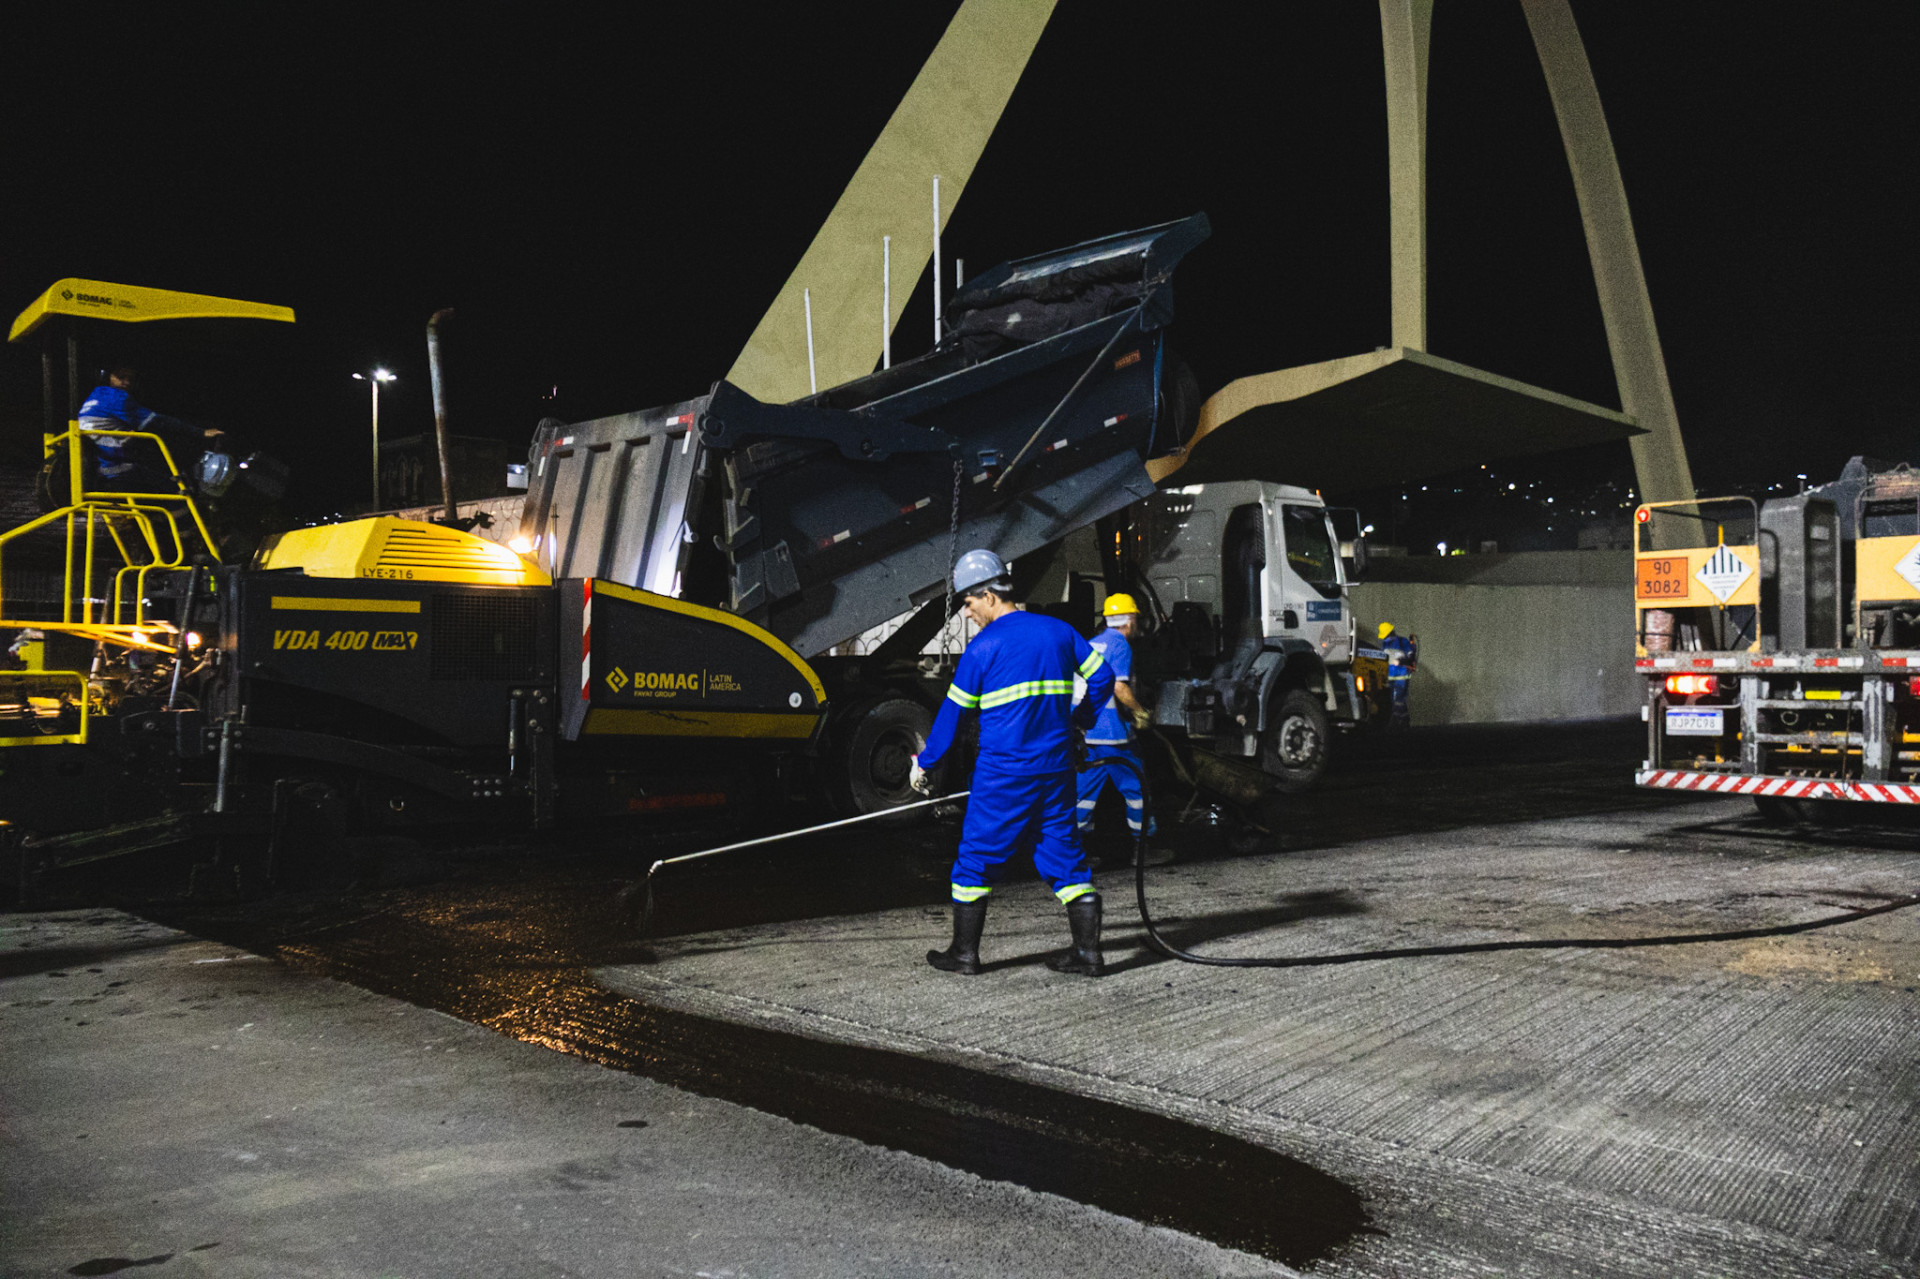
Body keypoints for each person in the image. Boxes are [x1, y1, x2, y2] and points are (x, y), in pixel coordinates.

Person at [911, 548, 1115, 977]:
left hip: (1003, 775)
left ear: (988, 594)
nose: (966, 613)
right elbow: (1102, 678)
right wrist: (1079, 721)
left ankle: (964, 955)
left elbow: (952, 717)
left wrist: (924, 762)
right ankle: (1088, 954)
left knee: (975, 860)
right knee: (1063, 853)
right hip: (1055, 771)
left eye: (968, 603)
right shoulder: (1059, 631)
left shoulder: (983, 649)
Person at [1075, 592, 1153, 847]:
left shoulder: (1094, 642)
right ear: (1130, 620)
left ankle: (1078, 850)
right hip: (1112, 733)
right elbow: (1119, 688)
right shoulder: (1120, 645)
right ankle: (1143, 847)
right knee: (1136, 787)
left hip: (1087, 730)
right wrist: (1140, 711)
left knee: (1083, 792)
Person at [77, 368, 219, 493]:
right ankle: (184, 522)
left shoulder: (96, 394)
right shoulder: (118, 397)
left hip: (100, 468)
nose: (126, 382)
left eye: (130, 379)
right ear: (109, 377)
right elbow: (157, 421)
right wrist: (199, 432)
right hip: (118, 467)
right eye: (121, 377)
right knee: (176, 489)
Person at [1379, 621, 1418, 730]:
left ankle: (1396, 722)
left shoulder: (1403, 642)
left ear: (1390, 634)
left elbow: (1410, 658)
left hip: (1402, 677)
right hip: (1390, 677)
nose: (1385, 639)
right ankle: (1404, 720)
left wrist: (1400, 661)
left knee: (1398, 699)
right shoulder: (1385, 644)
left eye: (1386, 636)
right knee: (1394, 700)